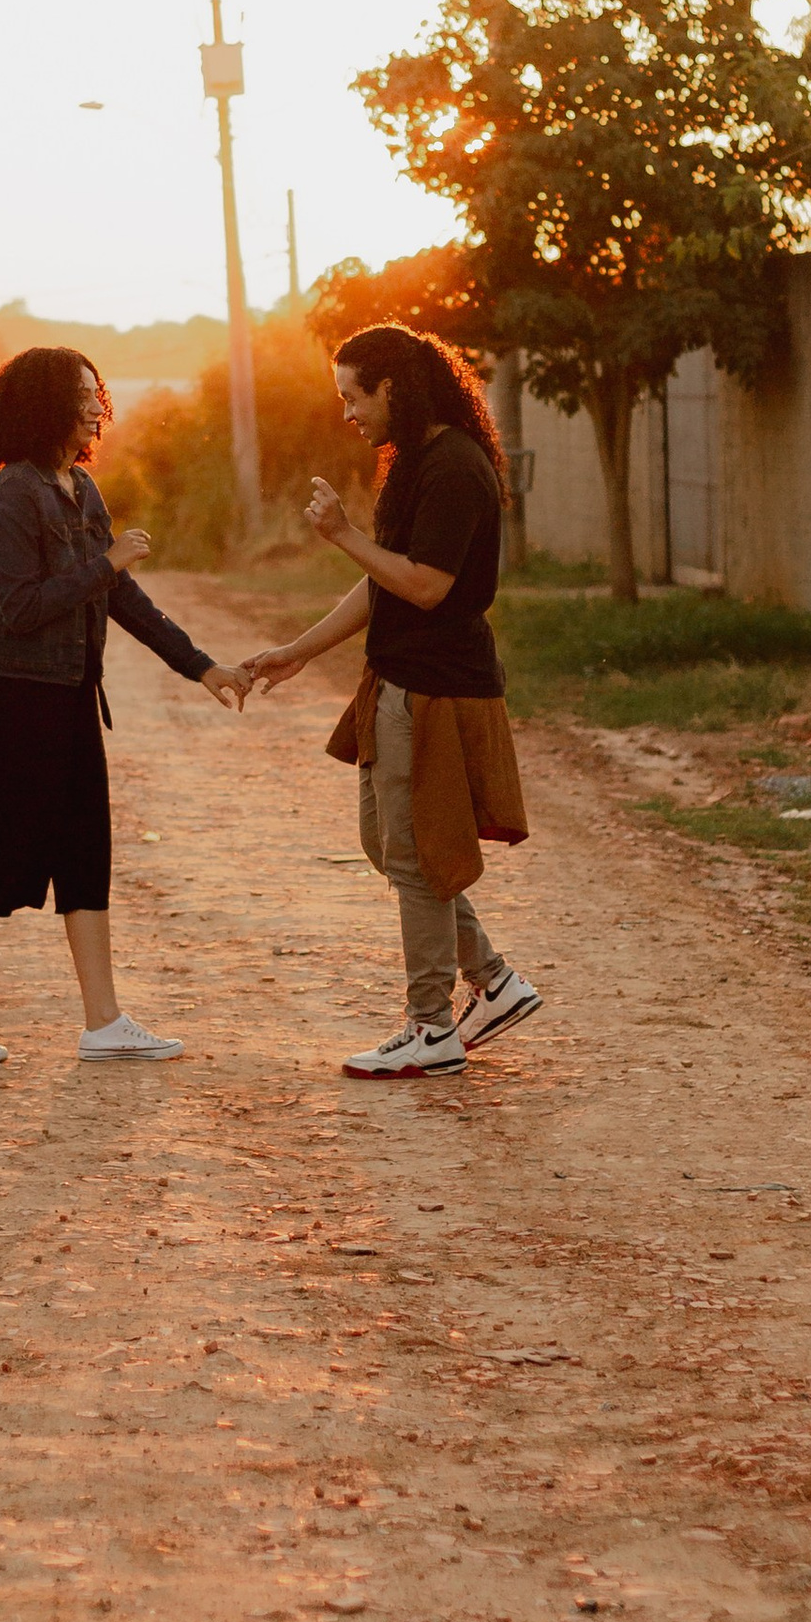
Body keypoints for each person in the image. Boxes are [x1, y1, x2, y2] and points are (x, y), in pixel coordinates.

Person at [0, 346, 248, 1070]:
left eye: (95, 392)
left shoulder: (81, 488)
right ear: (45, 405)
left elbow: (122, 596)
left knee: (85, 848)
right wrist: (104, 565)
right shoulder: (14, 493)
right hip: (15, 693)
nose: (95, 406)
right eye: (80, 394)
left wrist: (201, 666)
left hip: (71, 691)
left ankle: (103, 1022)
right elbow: (20, 610)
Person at [244, 322, 539, 1080]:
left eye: (354, 396)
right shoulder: (412, 460)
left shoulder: (456, 468)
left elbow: (426, 586)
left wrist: (343, 534)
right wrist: (300, 650)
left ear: (392, 388)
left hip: (438, 687)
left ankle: (431, 1026)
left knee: (414, 855)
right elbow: (385, 578)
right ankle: (494, 981)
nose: (348, 413)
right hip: (398, 680)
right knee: (390, 847)